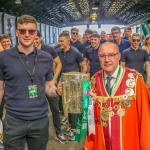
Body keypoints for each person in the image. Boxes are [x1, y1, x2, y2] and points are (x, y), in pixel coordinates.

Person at [0, 15, 58, 150]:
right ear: (17, 32)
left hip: (40, 120)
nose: (27, 35)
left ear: (36, 33)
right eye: (22, 31)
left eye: (31, 31)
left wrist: (57, 91)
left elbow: (49, 87)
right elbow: (0, 88)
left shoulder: (46, 58)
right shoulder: (3, 57)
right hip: (14, 120)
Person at [84, 42, 150, 150]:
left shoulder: (135, 80)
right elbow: (87, 104)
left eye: (111, 55)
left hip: (129, 142)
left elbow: (145, 117)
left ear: (119, 56)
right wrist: (83, 95)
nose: (107, 60)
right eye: (102, 56)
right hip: (103, 142)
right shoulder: (94, 80)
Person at [34, 30, 68, 144]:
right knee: (35, 109)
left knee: (55, 109)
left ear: (40, 38)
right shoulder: (27, 51)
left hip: (49, 84)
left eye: (36, 38)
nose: (34, 41)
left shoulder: (48, 50)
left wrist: (54, 79)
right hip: (34, 86)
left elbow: (59, 63)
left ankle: (59, 133)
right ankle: (36, 134)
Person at [56, 32, 87, 141]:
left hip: (74, 84)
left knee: (73, 107)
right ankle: (70, 126)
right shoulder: (57, 52)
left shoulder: (75, 52)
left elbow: (83, 66)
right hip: (62, 83)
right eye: (59, 41)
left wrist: (82, 80)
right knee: (64, 105)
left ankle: (74, 130)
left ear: (68, 41)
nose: (59, 43)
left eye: (62, 41)